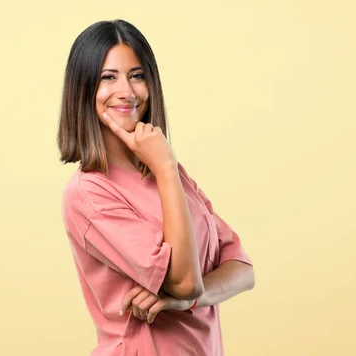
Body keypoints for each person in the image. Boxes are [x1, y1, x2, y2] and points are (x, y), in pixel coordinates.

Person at [57, 19, 255, 356]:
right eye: (108, 77)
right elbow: (185, 280)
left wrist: (189, 298)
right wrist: (164, 166)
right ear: (84, 89)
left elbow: (242, 270)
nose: (127, 91)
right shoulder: (90, 193)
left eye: (137, 75)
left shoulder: (170, 172)